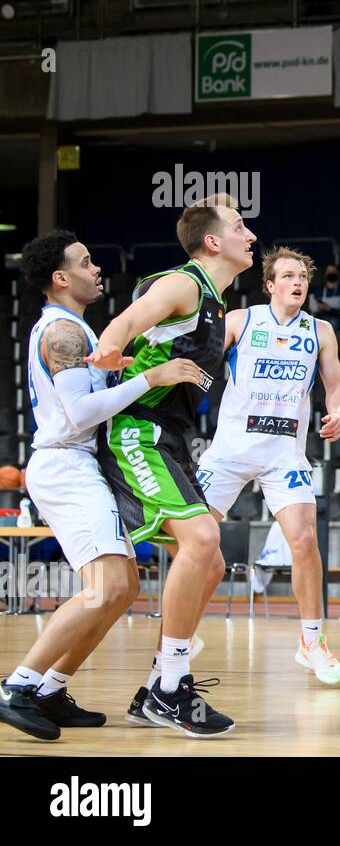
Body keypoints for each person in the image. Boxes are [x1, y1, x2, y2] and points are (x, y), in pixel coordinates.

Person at [0, 234, 202, 741]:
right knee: (106, 588)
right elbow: (81, 413)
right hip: (65, 464)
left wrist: (120, 375)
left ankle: (51, 689)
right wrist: (149, 378)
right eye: (85, 263)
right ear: (60, 278)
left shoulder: (79, 331)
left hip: (77, 463)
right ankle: (18, 686)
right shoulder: (62, 331)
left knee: (124, 587)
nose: (97, 270)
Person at [89, 193, 256, 736]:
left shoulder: (215, 302)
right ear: (213, 243)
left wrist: (220, 203)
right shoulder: (183, 283)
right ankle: (171, 688)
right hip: (139, 430)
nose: (250, 235)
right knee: (203, 542)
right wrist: (112, 351)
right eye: (239, 226)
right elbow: (127, 320)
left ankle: (158, 683)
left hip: (176, 439)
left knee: (210, 560)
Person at [193, 247, 340, 684]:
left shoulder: (321, 331)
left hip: (284, 452)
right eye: (288, 276)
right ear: (270, 284)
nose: (298, 282)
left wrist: (338, 411)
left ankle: (312, 642)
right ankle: (182, 633)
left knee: (303, 541)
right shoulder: (241, 322)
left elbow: (335, 386)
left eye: (303, 276)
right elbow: (200, 365)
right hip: (230, 449)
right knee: (198, 546)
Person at [308, 263, 340, 331]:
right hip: (321, 319)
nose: (331, 273)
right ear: (325, 274)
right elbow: (313, 312)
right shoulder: (318, 292)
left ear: (337, 274)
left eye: (333, 272)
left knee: (332, 323)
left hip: (338, 320)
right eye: (329, 272)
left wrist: (329, 309)